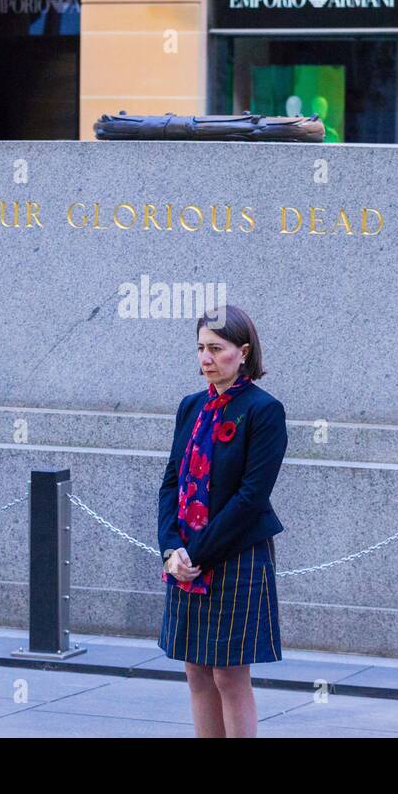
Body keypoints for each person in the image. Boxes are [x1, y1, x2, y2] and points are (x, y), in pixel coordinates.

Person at [156, 304, 287, 737]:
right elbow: (171, 483)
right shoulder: (190, 407)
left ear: (243, 352)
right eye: (200, 348)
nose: (206, 358)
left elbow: (251, 498)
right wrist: (172, 548)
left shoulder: (264, 411)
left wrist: (196, 553)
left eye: (216, 348)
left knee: (229, 675)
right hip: (187, 556)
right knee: (196, 670)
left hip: (235, 554)